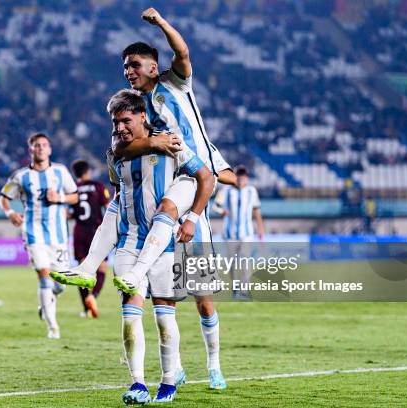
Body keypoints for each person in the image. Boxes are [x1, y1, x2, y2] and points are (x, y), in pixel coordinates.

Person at [51, 8, 232, 389]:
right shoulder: (138, 111)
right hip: (172, 193)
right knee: (162, 301)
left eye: (134, 64)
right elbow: (121, 149)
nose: (129, 71)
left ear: (153, 66)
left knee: (203, 296)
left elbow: (182, 54)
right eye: (125, 68)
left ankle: (214, 365)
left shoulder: (174, 84)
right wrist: (149, 141)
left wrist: (162, 23)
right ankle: (169, 370)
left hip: (194, 182)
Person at [105, 89, 215, 404]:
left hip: (163, 243)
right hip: (129, 241)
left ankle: (168, 382)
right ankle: (137, 384)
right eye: (115, 123)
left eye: (125, 120)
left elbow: (206, 178)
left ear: (142, 116)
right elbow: (118, 189)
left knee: (165, 317)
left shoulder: (171, 145)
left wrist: (192, 217)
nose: (120, 128)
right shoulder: (116, 152)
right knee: (129, 314)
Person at [0, 133, 78, 339]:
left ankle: (46, 303)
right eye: (37, 145)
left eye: (44, 145)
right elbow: (3, 198)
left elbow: (75, 196)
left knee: (61, 282)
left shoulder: (60, 172)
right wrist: (11, 213)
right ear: (31, 150)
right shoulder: (21, 176)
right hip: (33, 232)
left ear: (50, 149)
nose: (41, 148)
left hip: (58, 235)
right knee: (44, 275)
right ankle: (53, 328)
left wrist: (59, 197)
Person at [213, 165, 265, 298]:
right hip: (230, 234)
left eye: (244, 176)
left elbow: (256, 210)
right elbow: (215, 206)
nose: (242, 179)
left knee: (245, 261)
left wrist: (260, 228)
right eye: (239, 176)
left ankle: (244, 289)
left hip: (246, 233)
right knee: (231, 263)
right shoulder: (226, 190)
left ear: (247, 178)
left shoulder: (251, 191)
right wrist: (222, 211)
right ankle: (235, 286)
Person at [70, 159, 111, 318]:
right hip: (96, 231)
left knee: (82, 270)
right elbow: (108, 208)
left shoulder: (73, 189)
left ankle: (86, 309)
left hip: (79, 231)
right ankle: (92, 297)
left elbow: (70, 212)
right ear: (88, 171)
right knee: (101, 268)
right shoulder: (98, 186)